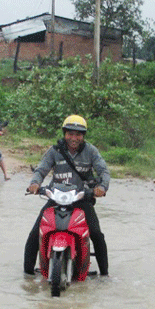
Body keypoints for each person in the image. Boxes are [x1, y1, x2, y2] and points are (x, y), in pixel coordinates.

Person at [24, 114, 110, 276]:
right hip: (57, 198)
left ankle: (105, 275)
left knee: (96, 234)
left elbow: (104, 171)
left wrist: (102, 187)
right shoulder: (55, 151)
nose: (74, 138)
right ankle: (27, 274)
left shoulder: (91, 151)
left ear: (83, 136)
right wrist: (35, 184)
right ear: (64, 134)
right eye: (70, 133)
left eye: (78, 134)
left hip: (81, 199)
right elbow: (41, 169)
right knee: (35, 233)